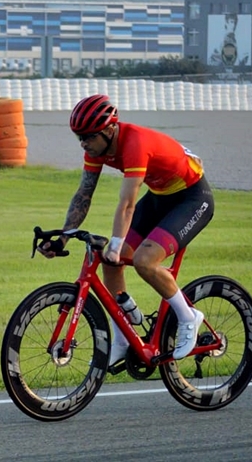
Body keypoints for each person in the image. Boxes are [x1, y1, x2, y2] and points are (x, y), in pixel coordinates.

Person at [37, 94, 215, 365]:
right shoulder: (96, 149)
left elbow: (127, 202)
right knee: (112, 262)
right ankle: (123, 336)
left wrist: (117, 242)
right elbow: (84, 194)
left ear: (110, 130)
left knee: (144, 260)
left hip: (191, 198)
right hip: (160, 196)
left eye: (89, 137)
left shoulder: (134, 144)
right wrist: (63, 239)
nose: (84, 143)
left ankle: (188, 317)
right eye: (79, 138)